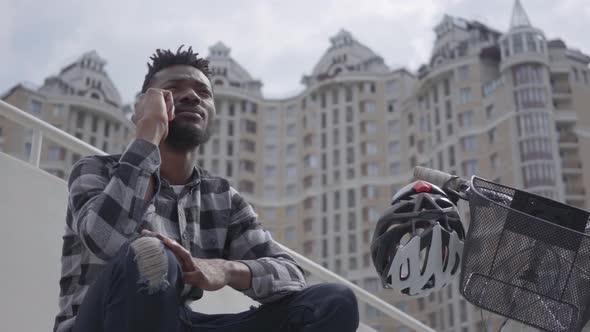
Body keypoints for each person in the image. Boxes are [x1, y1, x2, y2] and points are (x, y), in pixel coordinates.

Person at [53, 46, 359, 332]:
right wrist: (149, 134)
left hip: (177, 322)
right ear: (143, 104)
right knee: (149, 254)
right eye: (174, 88)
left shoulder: (221, 197)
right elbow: (106, 240)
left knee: (332, 302)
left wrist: (225, 270)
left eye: (203, 92)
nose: (192, 96)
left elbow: (291, 276)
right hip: (99, 322)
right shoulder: (97, 170)